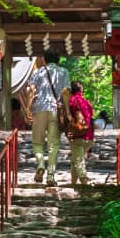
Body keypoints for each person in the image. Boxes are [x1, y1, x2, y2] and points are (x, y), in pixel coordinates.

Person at [19, 52, 71, 184]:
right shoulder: (63, 72)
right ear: (58, 60)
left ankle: (41, 164)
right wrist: (68, 111)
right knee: (54, 145)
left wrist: (28, 108)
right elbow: (65, 92)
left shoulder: (38, 72)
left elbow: (31, 89)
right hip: (55, 109)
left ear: (45, 60)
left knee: (37, 142)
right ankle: (50, 175)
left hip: (39, 109)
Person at [65, 81, 96, 185]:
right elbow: (91, 113)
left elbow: (65, 116)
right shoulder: (86, 101)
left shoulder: (70, 101)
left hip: (76, 134)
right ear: (81, 90)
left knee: (78, 158)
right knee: (76, 157)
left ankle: (83, 179)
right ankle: (73, 182)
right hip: (89, 135)